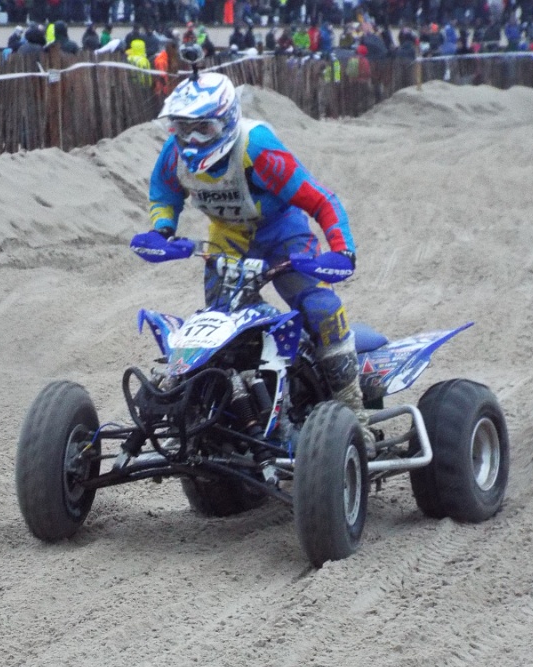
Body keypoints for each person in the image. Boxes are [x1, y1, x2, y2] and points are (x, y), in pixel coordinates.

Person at [143, 72, 372, 452]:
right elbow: (163, 191)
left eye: (204, 127)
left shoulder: (257, 148)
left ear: (228, 120)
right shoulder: (174, 151)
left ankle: (352, 413)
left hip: (282, 233)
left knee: (320, 308)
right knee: (221, 328)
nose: (192, 139)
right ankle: (226, 413)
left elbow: (320, 200)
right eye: (183, 128)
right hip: (227, 237)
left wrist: (342, 250)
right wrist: (162, 229)